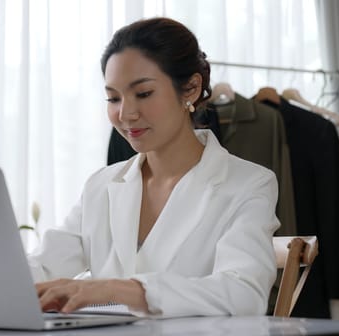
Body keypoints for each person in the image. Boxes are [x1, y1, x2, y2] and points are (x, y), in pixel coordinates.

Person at [29, 17, 280, 318]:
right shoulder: (101, 185)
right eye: (113, 98)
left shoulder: (248, 183)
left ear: (189, 89)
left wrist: (119, 290)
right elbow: (41, 267)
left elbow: (244, 296)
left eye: (143, 93)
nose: (126, 113)